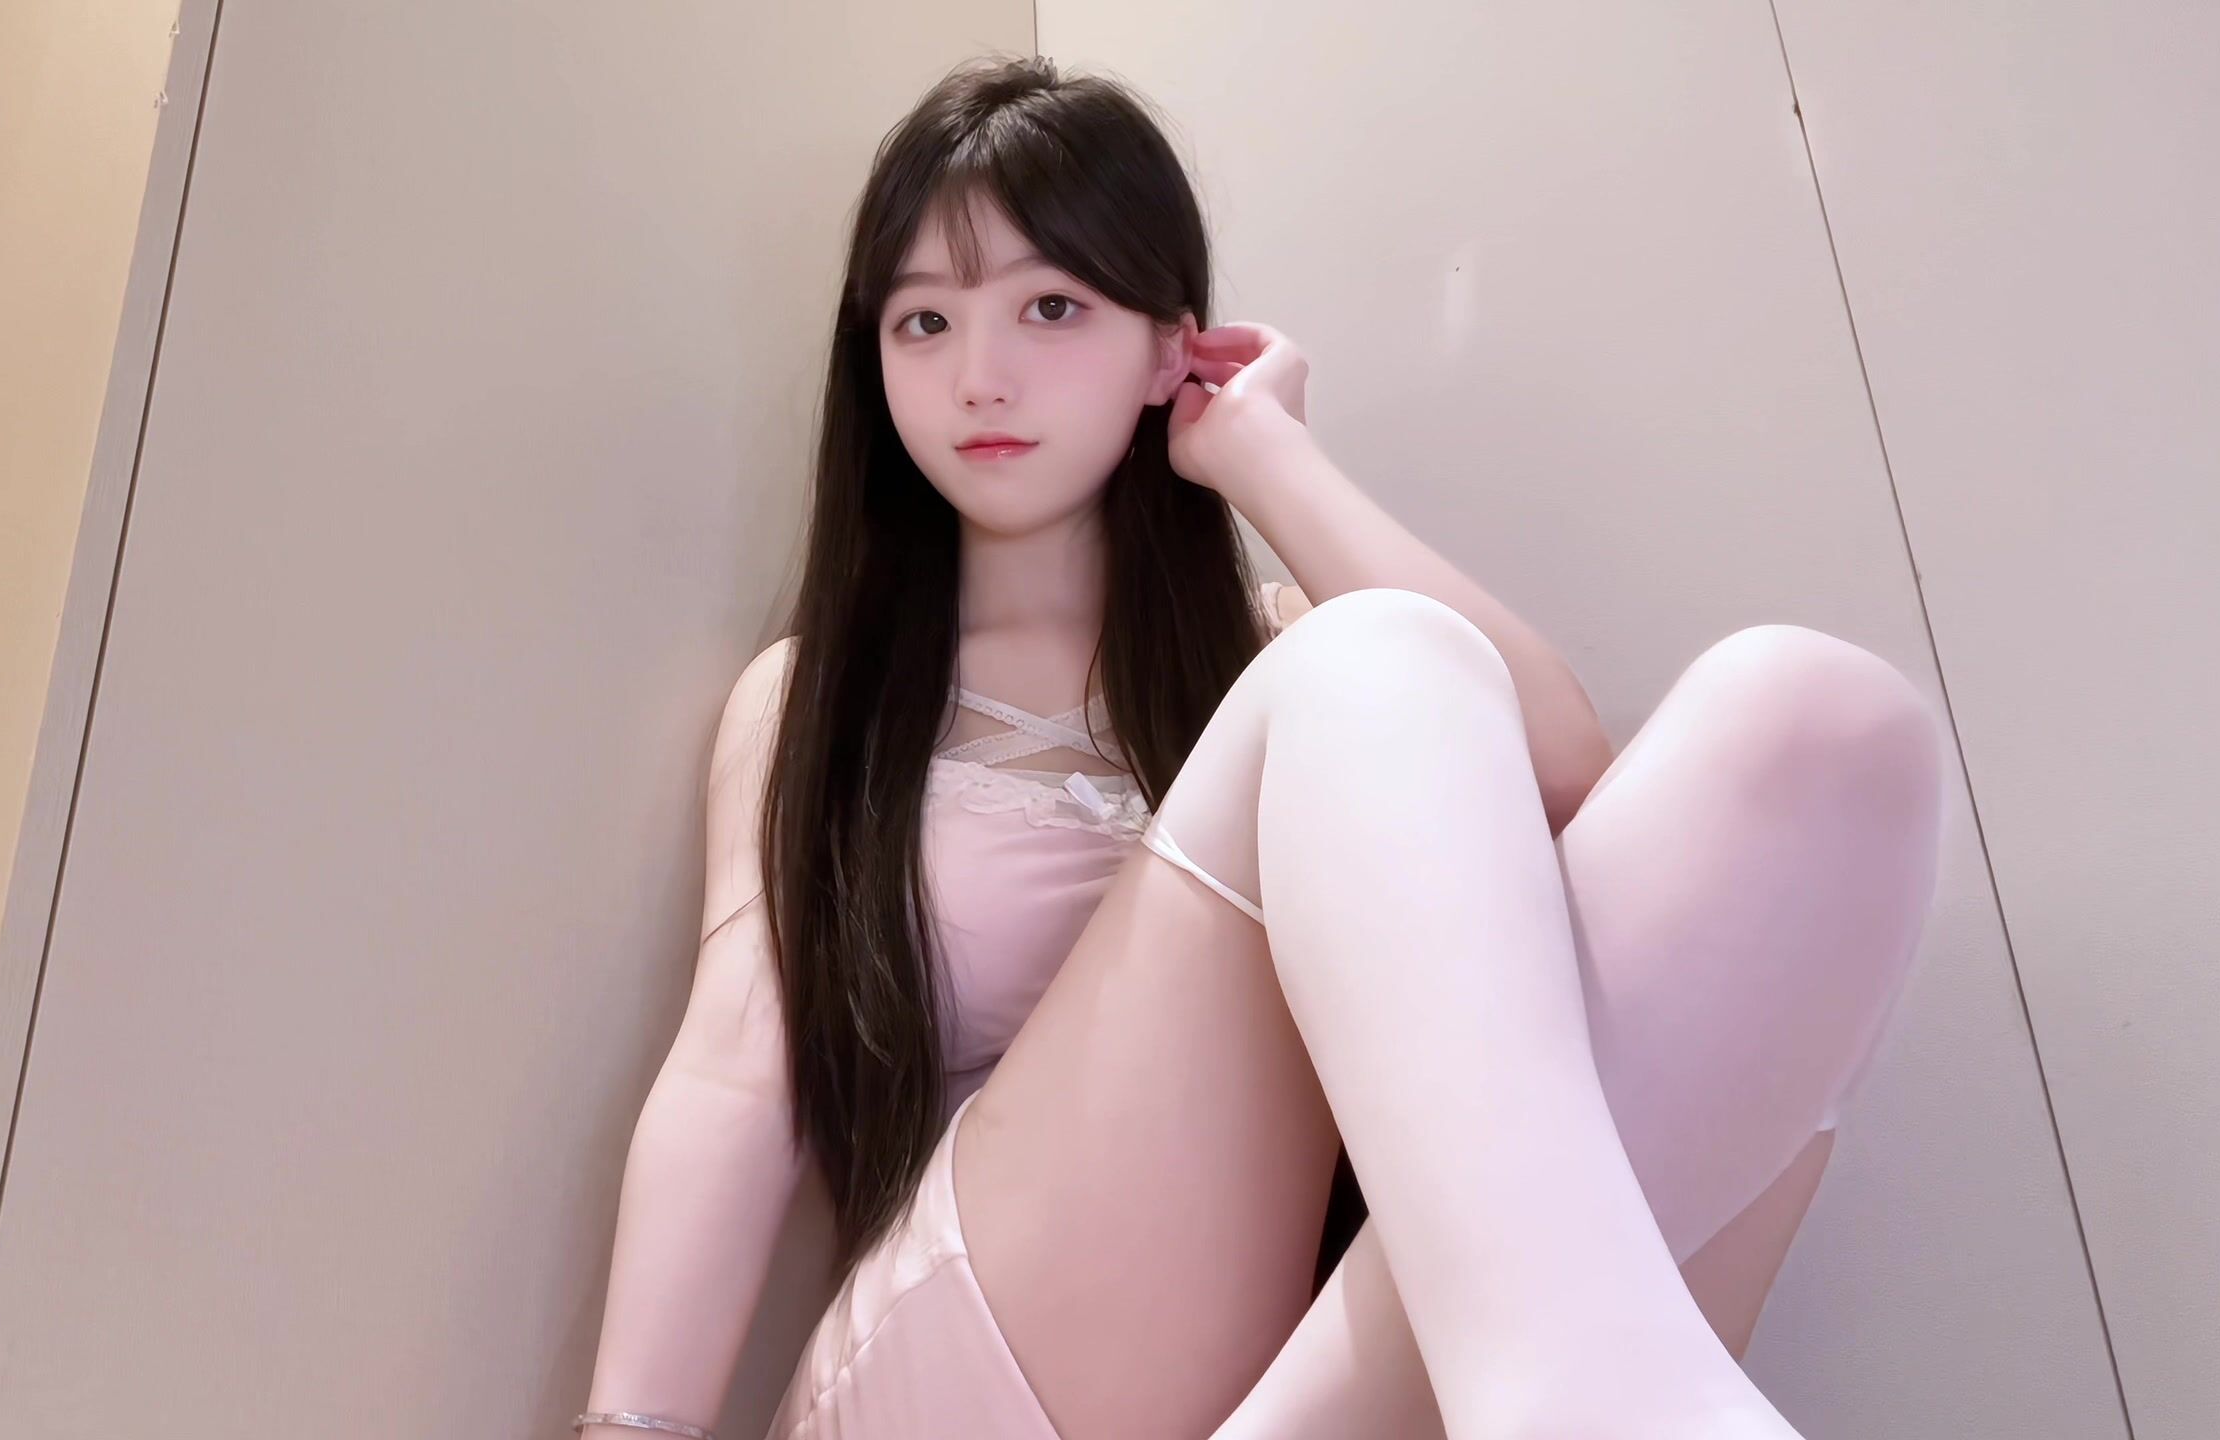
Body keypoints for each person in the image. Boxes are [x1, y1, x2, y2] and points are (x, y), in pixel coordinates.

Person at [576, 54, 1945, 1440]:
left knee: (1820, 729)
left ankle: (1572, 1382)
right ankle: (1573, 1387)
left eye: (1051, 308)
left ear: (1169, 345)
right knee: (1366, 660)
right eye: (924, 322)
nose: (979, 378)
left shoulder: (1283, 652)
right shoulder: (821, 697)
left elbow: (1569, 786)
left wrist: (1266, 460)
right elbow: (735, 1072)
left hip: (1309, 1368)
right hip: (965, 1375)